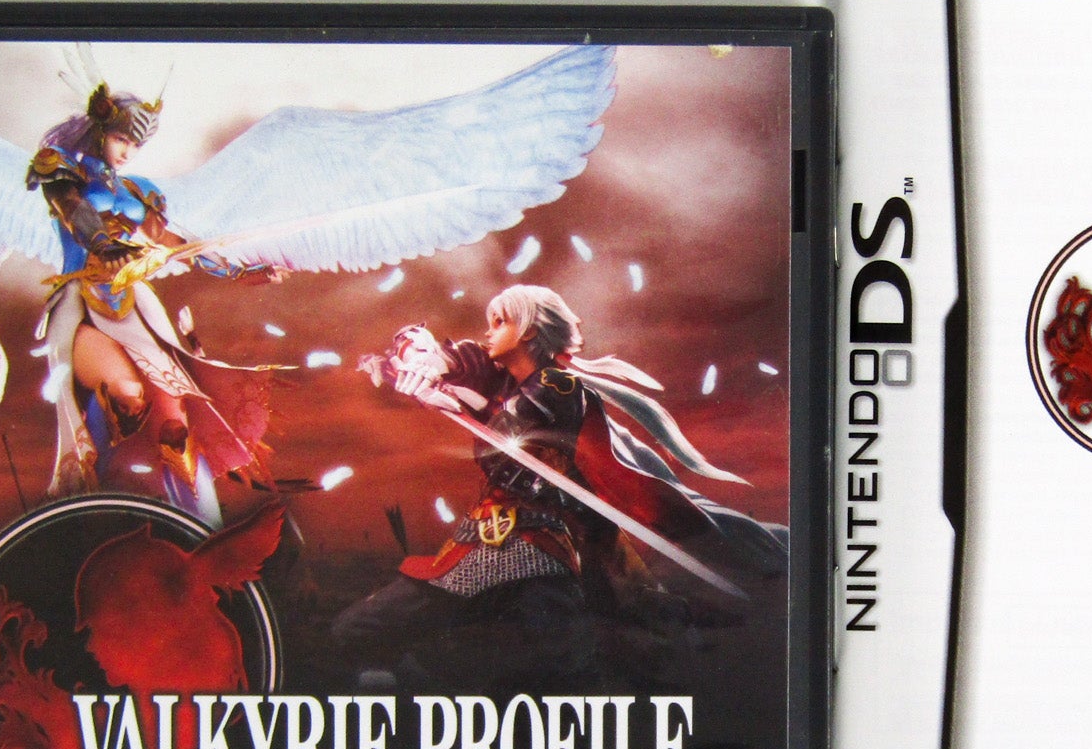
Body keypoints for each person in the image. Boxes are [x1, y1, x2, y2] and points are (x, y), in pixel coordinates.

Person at [334, 284, 782, 687]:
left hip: (540, 551)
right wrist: (421, 357)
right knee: (356, 632)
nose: (488, 331)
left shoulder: (558, 385)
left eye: (500, 321)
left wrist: (452, 397)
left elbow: (511, 430)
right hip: (480, 545)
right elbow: (462, 360)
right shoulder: (503, 379)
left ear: (529, 331)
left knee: (566, 670)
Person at [26, 79, 285, 526]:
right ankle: (93, 510)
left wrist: (239, 271)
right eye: (121, 139)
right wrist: (103, 244)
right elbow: (73, 211)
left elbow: (174, 242)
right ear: (100, 131)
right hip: (80, 305)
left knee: (174, 419)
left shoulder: (136, 190)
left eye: (135, 144)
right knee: (126, 395)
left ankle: (197, 524)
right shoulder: (60, 169)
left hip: (134, 306)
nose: (128, 152)